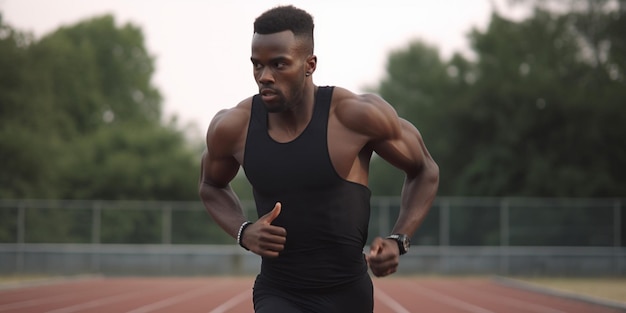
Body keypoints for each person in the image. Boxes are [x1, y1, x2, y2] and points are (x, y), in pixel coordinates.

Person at [199, 5, 439, 313]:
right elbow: (210, 184)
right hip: (278, 292)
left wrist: (398, 239)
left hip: (348, 294)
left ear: (309, 64)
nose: (264, 76)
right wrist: (243, 231)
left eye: (278, 64)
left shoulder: (356, 116)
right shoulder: (233, 127)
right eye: (257, 65)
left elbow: (424, 169)